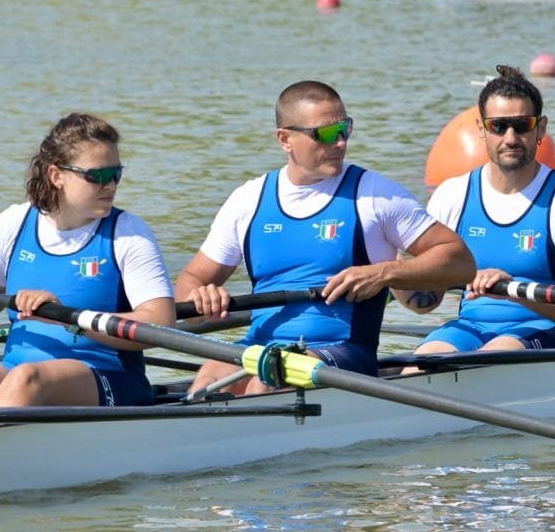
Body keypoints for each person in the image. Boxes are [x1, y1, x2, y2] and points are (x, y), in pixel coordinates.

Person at [176, 80, 475, 395]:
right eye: (326, 134)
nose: (341, 143)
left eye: (344, 129)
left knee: (269, 379)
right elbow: (191, 280)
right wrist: (200, 299)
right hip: (260, 346)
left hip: (343, 351)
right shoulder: (248, 200)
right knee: (208, 382)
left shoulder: (376, 196)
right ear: (285, 139)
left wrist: (384, 273)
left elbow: (460, 262)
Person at [0, 113, 175, 433]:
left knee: (29, 379)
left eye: (116, 173)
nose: (110, 185)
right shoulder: (14, 222)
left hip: (110, 377)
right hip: (17, 370)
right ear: (56, 175)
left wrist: (71, 318)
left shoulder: (129, 234)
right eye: (98, 175)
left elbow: (161, 322)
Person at [392, 65, 555, 358]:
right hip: (470, 326)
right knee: (422, 362)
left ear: (540, 129)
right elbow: (427, 301)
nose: (510, 137)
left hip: (545, 328)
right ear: (481, 129)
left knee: (493, 355)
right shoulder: (452, 194)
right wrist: (393, 271)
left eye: (522, 125)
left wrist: (512, 289)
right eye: (498, 126)